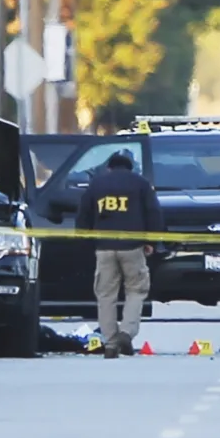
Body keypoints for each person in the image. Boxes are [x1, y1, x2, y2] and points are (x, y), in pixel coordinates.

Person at [75, 152, 164, 359]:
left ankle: (110, 342)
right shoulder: (140, 183)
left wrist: (86, 241)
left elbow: (83, 215)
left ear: (109, 167)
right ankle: (126, 332)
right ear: (130, 167)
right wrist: (151, 241)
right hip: (133, 246)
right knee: (136, 290)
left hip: (104, 248)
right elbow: (153, 212)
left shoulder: (96, 184)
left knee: (106, 295)